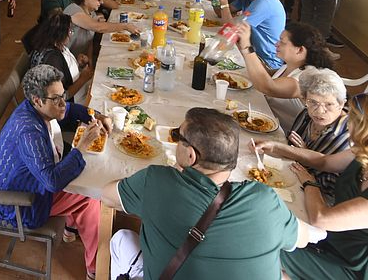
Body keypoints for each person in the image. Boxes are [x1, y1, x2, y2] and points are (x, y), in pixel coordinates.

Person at [104, 107, 316, 280]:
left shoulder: (156, 181)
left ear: (190, 155)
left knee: (121, 239)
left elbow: (108, 195)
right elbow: (303, 239)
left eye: (179, 136)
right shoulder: (265, 200)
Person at [0, 65, 112, 280]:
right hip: (23, 201)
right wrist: (80, 148)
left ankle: (71, 230)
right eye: (56, 99)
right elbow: (52, 181)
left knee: (83, 180)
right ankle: (96, 270)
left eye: (63, 95)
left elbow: (69, 111)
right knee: (91, 197)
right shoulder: (29, 131)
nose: (63, 103)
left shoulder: (37, 108)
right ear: (37, 100)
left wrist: (97, 116)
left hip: (32, 183)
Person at [280, 93, 368, 280]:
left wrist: (310, 183)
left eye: (351, 116)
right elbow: (324, 162)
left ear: (366, 130)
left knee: (273, 249)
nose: (345, 119)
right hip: (338, 242)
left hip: (367, 268)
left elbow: (321, 218)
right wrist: (278, 148)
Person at [253, 67, 349, 201]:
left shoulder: (346, 136)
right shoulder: (307, 115)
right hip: (288, 175)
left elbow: (330, 185)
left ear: (341, 103)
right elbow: (289, 144)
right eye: (313, 102)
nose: (320, 111)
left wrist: (303, 154)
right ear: (304, 99)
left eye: (329, 104)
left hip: (319, 197)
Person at [236, 21, 334, 129]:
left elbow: (268, 87)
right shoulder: (290, 65)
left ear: (300, 49)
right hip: (267, 119)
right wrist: (241, 47)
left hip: (283, 134)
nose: (276, 44)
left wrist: (247, 47)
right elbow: (266, 75)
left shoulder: (305, 78)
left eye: (282, 42)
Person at [214, 0, 285, 69]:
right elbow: (221, 13)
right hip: (251, 52)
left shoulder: (264, 3)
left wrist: (224, 0)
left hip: (267, 62)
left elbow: (229, 28)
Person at [28, 12, 93, 105]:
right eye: (69, 31)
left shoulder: (51, 44)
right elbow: (62, 96)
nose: (70, 35)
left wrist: (76, 63)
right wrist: (83, 78)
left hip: (77, 90)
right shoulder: (52, 59)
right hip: (68, 104)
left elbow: (63, 68)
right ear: (60, 33)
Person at [63, 0, 140, 58]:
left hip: (79, 59)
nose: (102, 2)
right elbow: (98, 27)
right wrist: (125, 26)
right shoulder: (74, 10)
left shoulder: (91, 13)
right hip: (64, 61)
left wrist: (90, 65)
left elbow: (89, 43)